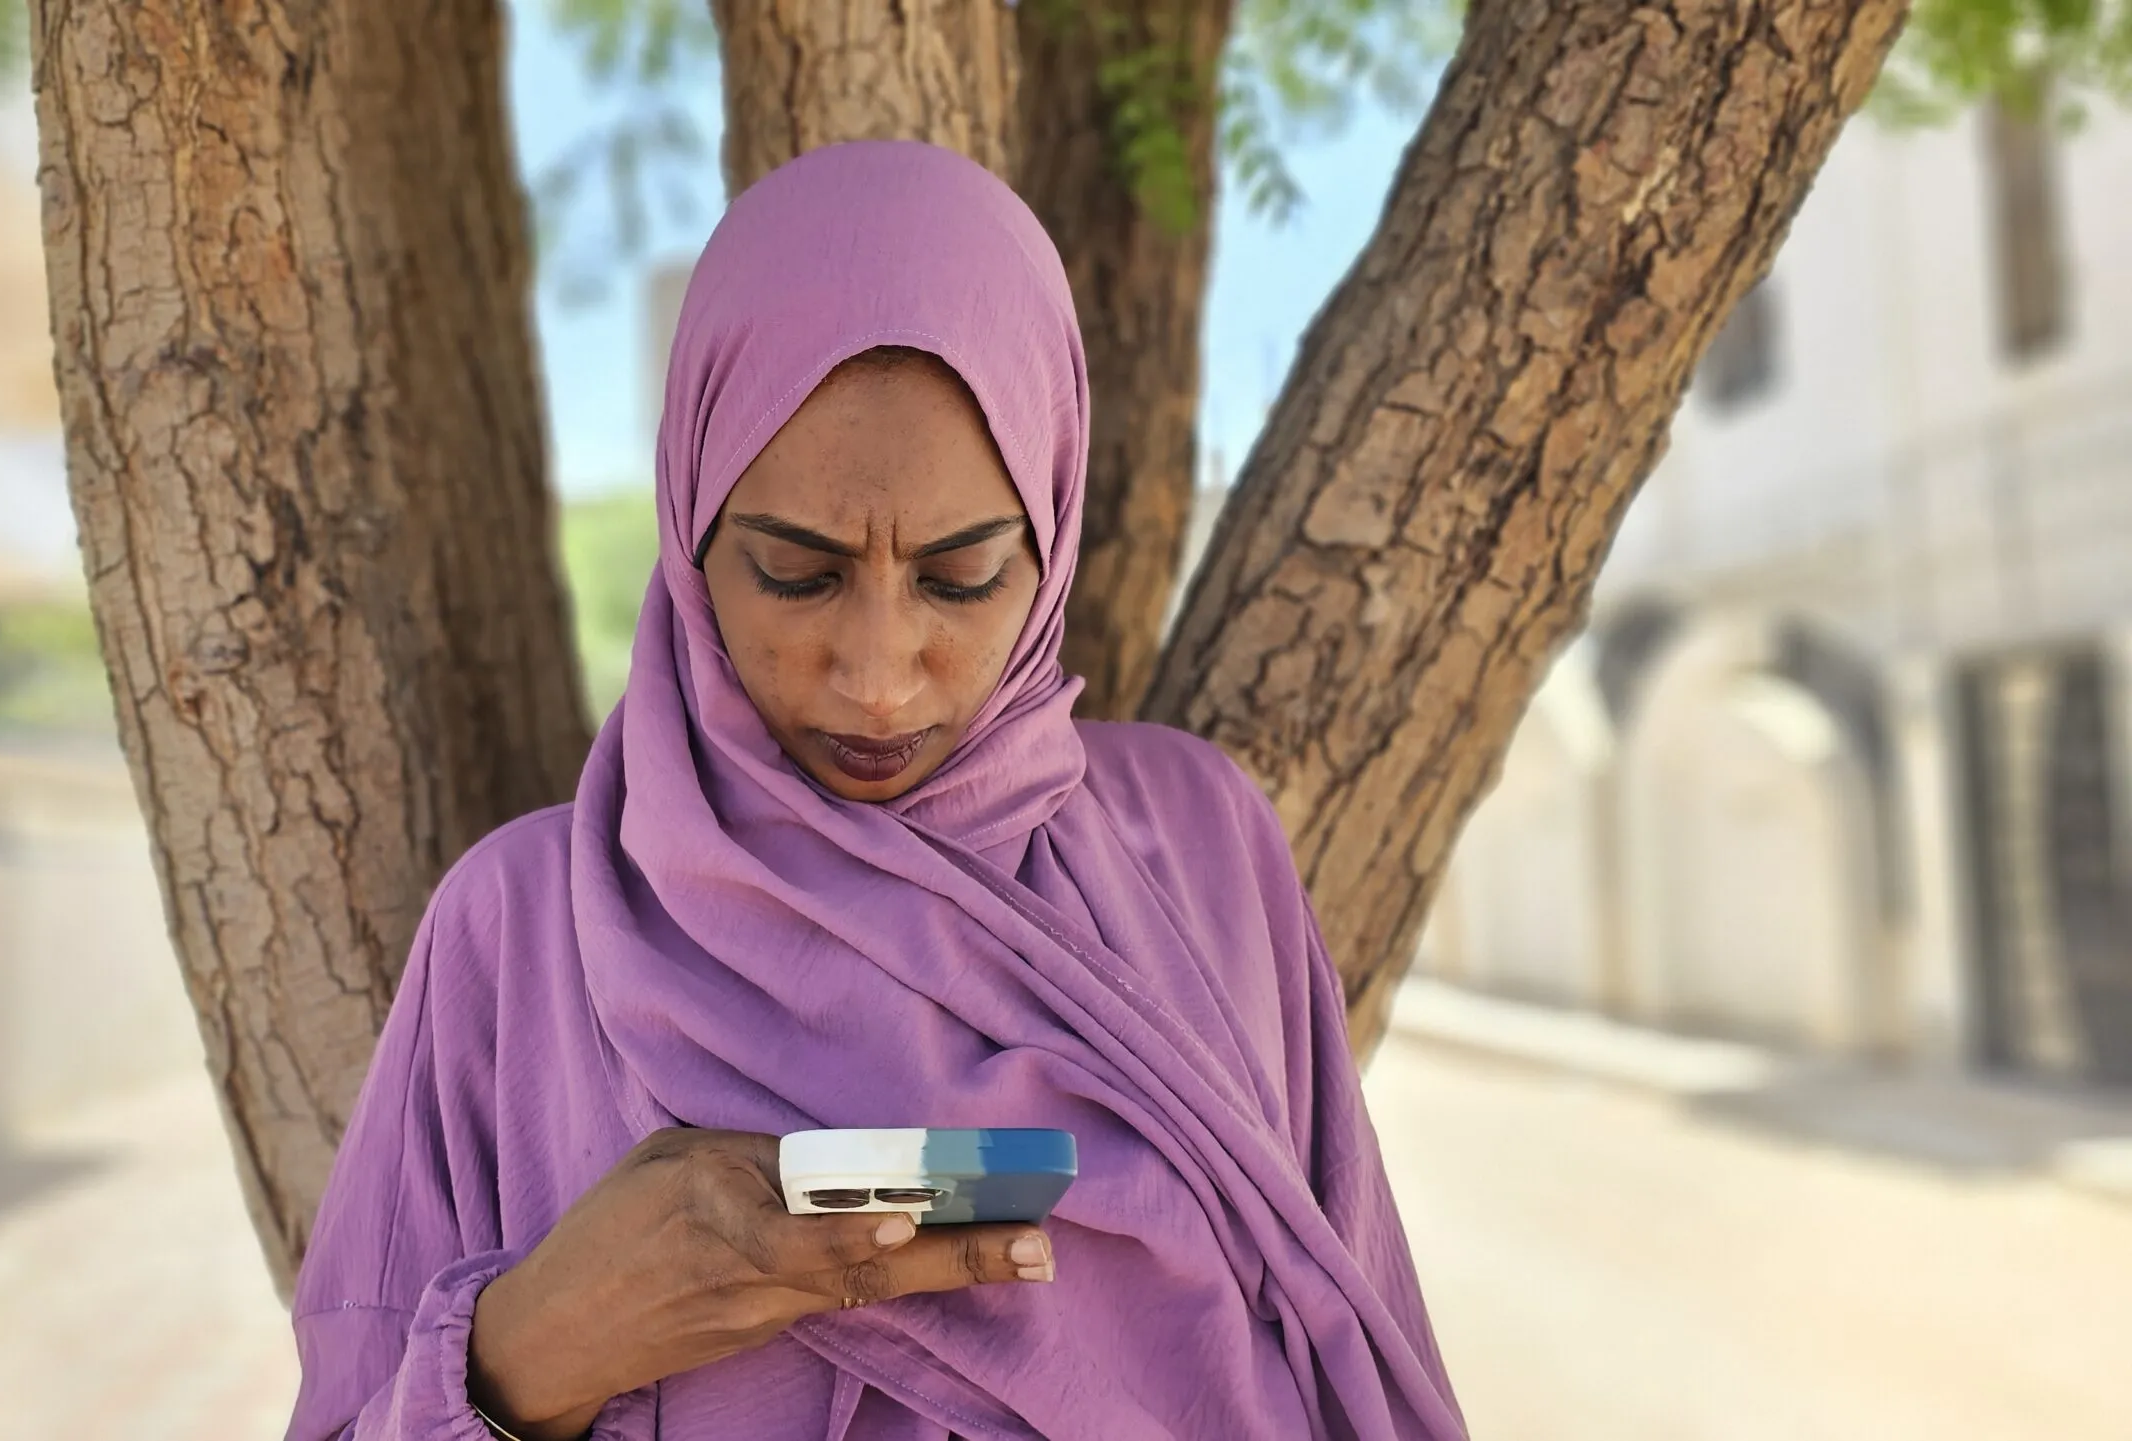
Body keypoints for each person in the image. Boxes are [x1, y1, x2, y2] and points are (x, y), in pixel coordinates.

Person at [282, 139, 1465, 1441]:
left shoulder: (1196, 847)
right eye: (796, 572)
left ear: (1054, 534)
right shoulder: (515, 933)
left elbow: (1357, 1349)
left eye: (963, 579)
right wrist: (530, 1351)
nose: (879, 681)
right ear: (689, 536)